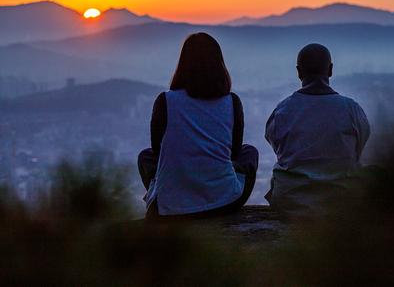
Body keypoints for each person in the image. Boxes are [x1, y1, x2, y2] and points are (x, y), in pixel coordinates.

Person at [137, 32, 258, 220]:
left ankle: (161, 192)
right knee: (249, 152)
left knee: (145, 156)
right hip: (224, 202)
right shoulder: (231, 102)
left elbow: (157, 150)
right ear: (220, 65)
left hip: (172, 206)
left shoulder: (166, 101)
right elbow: (233, 152)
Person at [265, 43, 370, 217]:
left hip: (291, 203)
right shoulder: (351, 109)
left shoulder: (283, 110)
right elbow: (359, 148)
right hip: (341, 201)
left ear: (299, 72)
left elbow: (278, 148)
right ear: (330, 70)